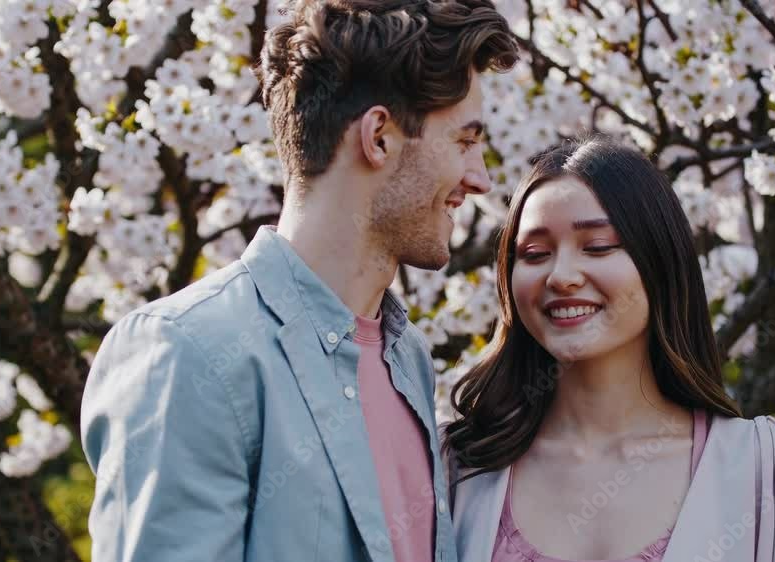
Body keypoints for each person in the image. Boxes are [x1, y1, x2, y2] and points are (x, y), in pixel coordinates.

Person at [80, 1, 518, 560]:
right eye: (464, 141)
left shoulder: (406, 357)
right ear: (379, 136)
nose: (479, 179)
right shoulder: (187, 351)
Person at [443, 136, 775, 562]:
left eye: (598, 246)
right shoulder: (459, 468)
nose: (562, 276)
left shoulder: (759, 466)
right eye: (535, 254)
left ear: (660, 262)